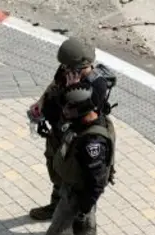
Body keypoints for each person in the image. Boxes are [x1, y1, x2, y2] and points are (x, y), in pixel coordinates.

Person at [23, 81, 116, 235]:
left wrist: (82, 207)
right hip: (76, 191)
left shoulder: (92, 142)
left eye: (70, 110)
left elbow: (96, 181)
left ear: (83, 111)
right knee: (85, 232)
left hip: (77, 196)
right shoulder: (90, 121)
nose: (65, 113)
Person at [28, 37, 115, 221]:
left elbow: (77, 113)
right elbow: (53, 86)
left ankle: (79, 218)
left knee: (75, 176)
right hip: (58, 130)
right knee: (55, 167)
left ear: (82, 66)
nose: (65, 69)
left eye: (69, 67)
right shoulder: (66, 69)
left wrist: (73, 88)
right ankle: (55, 205)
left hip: (77, 138)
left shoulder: (96, 86)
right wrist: (41, 103)